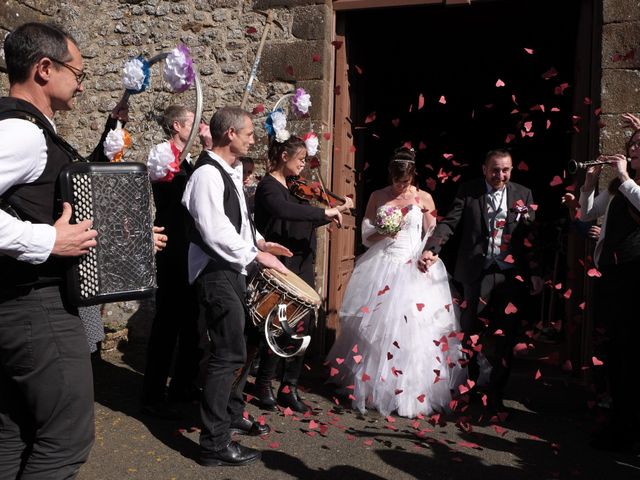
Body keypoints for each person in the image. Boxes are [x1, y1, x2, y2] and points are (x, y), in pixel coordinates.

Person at [0, 22, 170, 479]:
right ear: (43, 68)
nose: (81, 82)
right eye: (77, 71)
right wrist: (48, 241)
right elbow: (49, 230)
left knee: (15, 433)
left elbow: (42, 205)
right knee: (64, 442)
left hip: (17, 309)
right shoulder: (23, 134)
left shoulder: (26, 130)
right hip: (35, 310)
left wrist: (128, 241)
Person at [182, 106, 292, 467]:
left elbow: (237, 223)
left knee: (238, 350)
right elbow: (214, 231)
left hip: (231, 269)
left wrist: (260, 244)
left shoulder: (227, 173)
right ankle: (213, 445)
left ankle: (228, 418)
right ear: (230, 134)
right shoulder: (207, 175)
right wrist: (255, 256)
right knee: (226, 355)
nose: (252, 139)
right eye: (248, 133)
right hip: (215, 273)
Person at [326, 147, 466, 418]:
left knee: (415, 331)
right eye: (396, 181)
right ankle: (372, 389)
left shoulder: (424, 196)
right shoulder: (379, 196)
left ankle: (411, 392)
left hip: (414, 265)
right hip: (384, 263)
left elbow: (434, 232)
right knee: (377, 330)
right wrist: (384, 230)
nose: (401, 186)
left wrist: (429, 251)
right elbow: (366, 233)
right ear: (390, 176)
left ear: (413, 176)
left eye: (405, 181)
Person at [419, 148, 542, 411]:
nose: (500, 175)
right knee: (471, 332)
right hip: (476, 272)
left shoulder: (523, 194)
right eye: (495, 170)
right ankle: (472, 389)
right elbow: (450, 223)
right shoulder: (469, 190)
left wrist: (536, 272)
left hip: (510, 274)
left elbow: (532, 237)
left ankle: (496, 394)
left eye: (505, 170)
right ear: (484, 169)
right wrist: (432, 248)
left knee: (505, 334)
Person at [253, 136, 351, 413]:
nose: (303, 165)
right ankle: (263, 384)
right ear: (284, 156)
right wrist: (325, 212)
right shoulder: (268, 187)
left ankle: (289, 387)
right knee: (277, 325)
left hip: (303, 264)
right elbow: (285, 211)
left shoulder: (296, 187)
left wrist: (330, 210)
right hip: (283, 266)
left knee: (303, 327)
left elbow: (302, 214)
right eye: (299, 159)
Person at [579, 128, 640, 451]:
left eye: (639, 144)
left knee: (631, 354)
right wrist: (590, 183)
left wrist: (625, 177)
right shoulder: (619, 186)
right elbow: (587, 213)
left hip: (635, 276)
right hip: (614, 275)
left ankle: (628, 429)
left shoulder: (628, 183)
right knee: (615, 353)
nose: (633, 149)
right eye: (631, 144)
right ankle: (619, 423)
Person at [141, 105, 204, 419]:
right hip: (171, 243)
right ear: (177, 126)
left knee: (191, 320)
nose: (198, 125)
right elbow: (172, 185)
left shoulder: (188, 158)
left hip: (190, 245)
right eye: (192, 121)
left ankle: (182, 384)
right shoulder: (162, 154)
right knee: (167, 322)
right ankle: (151, 394)